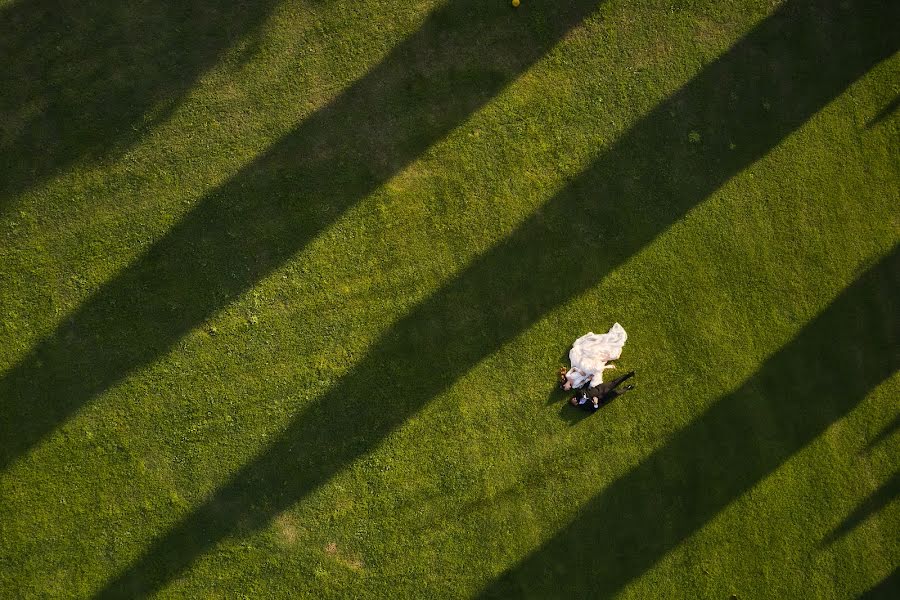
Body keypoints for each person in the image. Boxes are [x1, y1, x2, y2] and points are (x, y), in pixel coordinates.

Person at [569, 371, 635, 412]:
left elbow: (584, 388)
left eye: (573, 398)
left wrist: (589, 380)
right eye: (574, 400)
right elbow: (593, 410)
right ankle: (627, 388)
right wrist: (595, 403)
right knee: (616, 393)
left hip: (600, 389)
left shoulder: (579, 393)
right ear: (576, 404)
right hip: (603, 398)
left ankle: (628, 375)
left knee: (615, 382)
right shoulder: (584, 407)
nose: (575, 398)